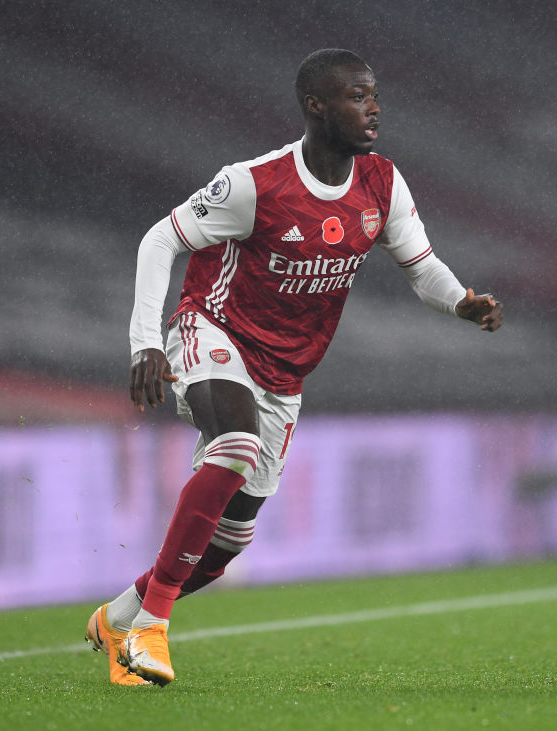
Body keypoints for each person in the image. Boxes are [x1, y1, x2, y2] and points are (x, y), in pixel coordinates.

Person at [85, 48, 503, 687]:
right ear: (317, 105)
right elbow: (160, 238)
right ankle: (149, 631)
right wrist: (145, 341)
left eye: (374, 94)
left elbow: (420, 268)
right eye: (358, 96)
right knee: (234, 446)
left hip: (286, 373)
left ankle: (120, 615)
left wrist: (461, 303)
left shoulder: (382, 185)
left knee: (226, 547)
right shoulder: (255, 183)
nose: (374, 107)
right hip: (214, 329)